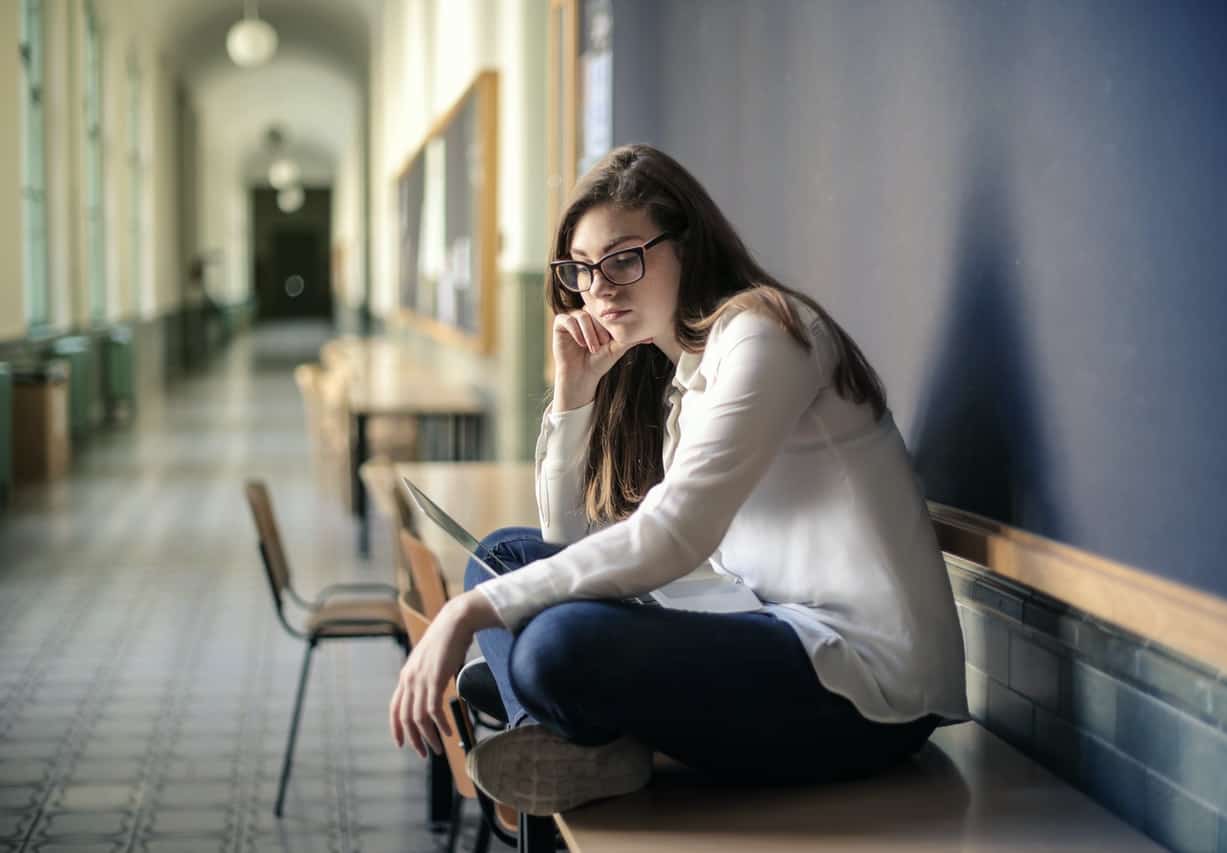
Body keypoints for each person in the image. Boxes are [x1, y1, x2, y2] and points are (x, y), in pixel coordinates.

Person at [388, 143, 969, 816]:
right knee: (502, 561)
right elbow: (565, 539)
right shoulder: (685, 379)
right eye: (581, 269)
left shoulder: (766, 335)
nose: (600, 287)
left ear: (688, 245)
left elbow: (675, 535)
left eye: (625, 258)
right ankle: (566, 738)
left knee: (553, 641)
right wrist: (573, 398)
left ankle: (559, 722)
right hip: (768, 629)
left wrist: (467, 615)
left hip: (867, 689)